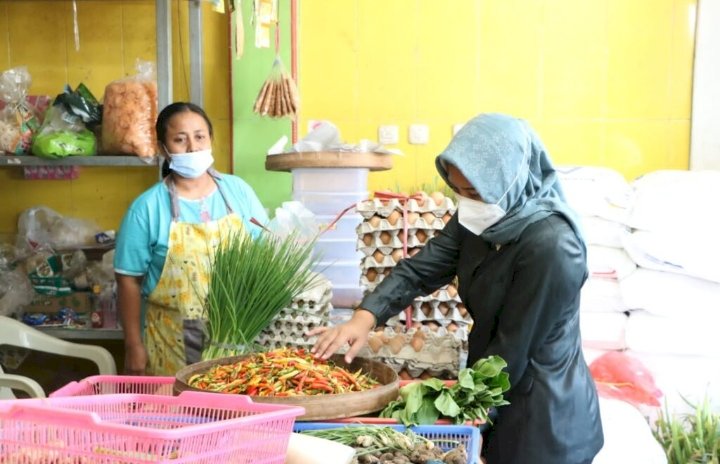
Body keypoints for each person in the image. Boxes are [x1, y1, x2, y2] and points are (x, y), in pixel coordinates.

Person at [310, 113, 604, 463]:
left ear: (509, 181)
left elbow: (512, 350)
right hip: (495, 392)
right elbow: (420, 270)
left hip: (546, 416)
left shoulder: (553, 247)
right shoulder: (480, 217)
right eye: (458, 191)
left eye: (475, 192)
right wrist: (365, 316)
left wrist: (445, 410)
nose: (467, 203)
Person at [114, 102, 268, 376]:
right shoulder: (147, 208)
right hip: (170, 338)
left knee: (234, 410)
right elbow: (128, 279)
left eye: (200, 137)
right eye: (180, 140)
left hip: (236, 335)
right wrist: (133, 345)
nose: (193, 148)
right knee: (177, 414)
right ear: (163, 149)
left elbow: (265, 253)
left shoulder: (238, 192)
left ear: (210, 140)